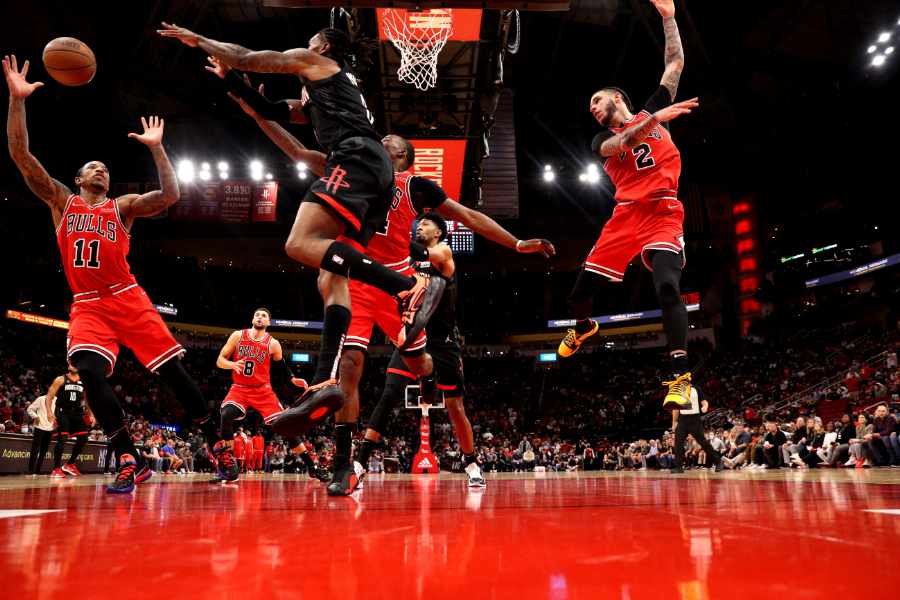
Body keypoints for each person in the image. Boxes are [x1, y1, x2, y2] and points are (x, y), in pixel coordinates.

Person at [212, 67, 553, 493]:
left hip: (399, 283)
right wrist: (253, 110)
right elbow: (297, 151)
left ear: (404, 157)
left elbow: (468, 216)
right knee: (350, 370)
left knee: (421, 364)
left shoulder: (414, 186)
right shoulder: (351, 169)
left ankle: (427, 375)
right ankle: (343, 465)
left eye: (390, 143)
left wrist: (517, 243)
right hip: (357, 281)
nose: (382, 142)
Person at [158, 25, 447, 432]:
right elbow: (275, 110)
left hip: (355, 158)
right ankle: (326, 380)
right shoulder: (326, 93)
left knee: (299, 242)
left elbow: (247, 53)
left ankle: (405, 286)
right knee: (331, 274)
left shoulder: (319, 63)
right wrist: (234, 85)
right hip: (371, 172)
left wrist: (201, 40)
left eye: (311, 39)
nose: (305, 44)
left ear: (324, 45)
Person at [3, 55, 217, 494]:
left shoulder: (123, 207)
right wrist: (16, 99)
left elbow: (172, 195)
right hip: (88, 306)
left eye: (106, 168)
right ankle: (128, 458)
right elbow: (21, 156)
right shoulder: (63, 202)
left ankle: (217, 442)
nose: (101, 170)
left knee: (175, 374)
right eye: (93, 167)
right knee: (88, 372)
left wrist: (157, 147)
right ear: (78, 178)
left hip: (128, 297)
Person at [555, 0, 699, 411]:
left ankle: (679, 378)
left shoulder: (652, 109)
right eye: (590, 108)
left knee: (668, 286)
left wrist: (669, 18)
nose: (593, 108)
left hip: (663, 211)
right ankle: (584, 327)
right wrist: (656, 120)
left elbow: (674, 65)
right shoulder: (598, 141)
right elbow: (622, 143)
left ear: (617, 97)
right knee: (577, 296)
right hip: (625, 216)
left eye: (597, 101)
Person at [213, 309, 328, 483]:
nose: (260, 317)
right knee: (226, 414)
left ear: (268, 322)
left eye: (264, 316)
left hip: (263, 391)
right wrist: (232, 364)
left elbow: (281, 364)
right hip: (239, 388)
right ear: (252, 318)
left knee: (286, 426)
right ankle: (229, 466)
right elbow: (220, 360)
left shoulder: (273, 343)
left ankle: (312, 467)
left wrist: (292, 378)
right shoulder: (238, 335)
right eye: (257, 315)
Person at [45, 366, 92, 478]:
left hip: (77, 413)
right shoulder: (60, 379)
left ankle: (69, 464)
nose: (73, 366)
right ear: (68, 366)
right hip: (63, 412)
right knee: (63, 439)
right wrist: (49, 412)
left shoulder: (83, 381)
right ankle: (56, 469)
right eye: (71, 364)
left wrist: (90, 414)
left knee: (83, 438)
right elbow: (49, 397)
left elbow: (87, 399)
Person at [670, 386, 722, 473]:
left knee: (703, 442)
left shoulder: (696, 388)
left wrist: (705, 407)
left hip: (695, 419)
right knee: (678, 443)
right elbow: (675, 408)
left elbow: (704, 401)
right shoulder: (678, 389)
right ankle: (678, 467)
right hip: (682, 419)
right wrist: (674, 422)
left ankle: (718, 462)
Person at [26, 394, 55, 476]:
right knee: (35, 449)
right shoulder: (41, 399)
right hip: (39, 427)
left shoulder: (57, 401)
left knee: (44, 451)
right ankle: (31, 470)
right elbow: (30, 409)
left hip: (50, 428)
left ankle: (38, 470)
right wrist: (35, 417)